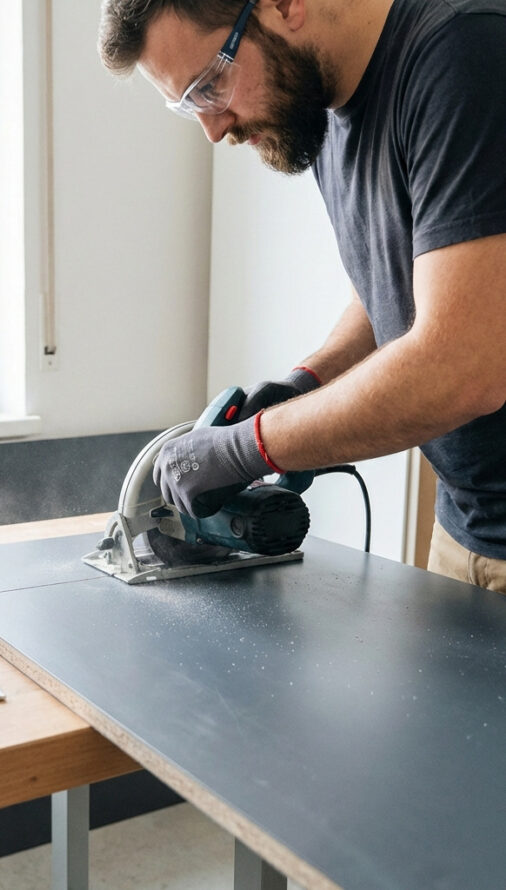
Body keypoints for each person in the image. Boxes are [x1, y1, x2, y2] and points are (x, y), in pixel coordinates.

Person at [97, 0, 506, 592]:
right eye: (190, 106)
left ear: (284, 6)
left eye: (211, 84)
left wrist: (249, 447)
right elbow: (391, 291)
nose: (214, 129)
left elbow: (462, 365)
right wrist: (305, 383)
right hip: (465, 532)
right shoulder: (324, 103)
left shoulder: (464, 56)